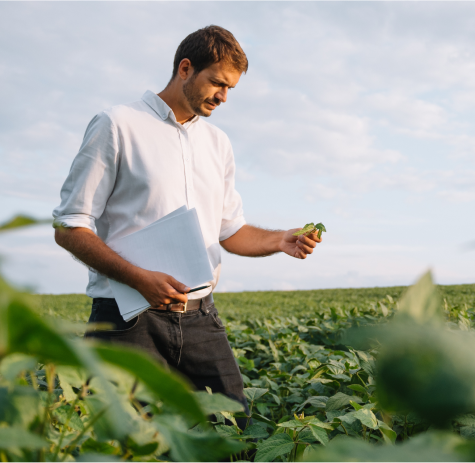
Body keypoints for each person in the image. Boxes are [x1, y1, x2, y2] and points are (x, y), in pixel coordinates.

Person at [52, 25, 323, 413]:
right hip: (127, 321)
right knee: (124, 443)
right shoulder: (117, 124)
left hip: (200, 318)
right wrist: (139, 279)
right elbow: (69, 226)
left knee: (232, 430)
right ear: (184, 68)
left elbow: (230, 230)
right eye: (216, 83)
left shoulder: (218, 144)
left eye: (230, 88)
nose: (223, 97)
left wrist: (280, 240)